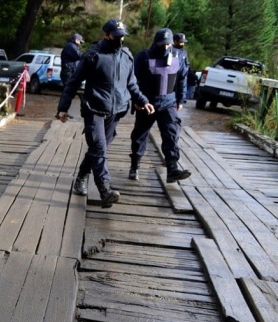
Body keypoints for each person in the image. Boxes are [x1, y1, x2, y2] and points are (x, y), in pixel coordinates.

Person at [57, 18, 154, 208]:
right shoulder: (93, 55)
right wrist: (63, 107)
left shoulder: (126, 56)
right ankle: (104, 189)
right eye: (116, 36)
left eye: (122, 36)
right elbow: (73, 82)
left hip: (116, 111)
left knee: (97, 149)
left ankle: (81, 177)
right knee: (100, 147)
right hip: (94, 108)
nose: (119, 39)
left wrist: (143, 101)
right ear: (106, 35)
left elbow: (132, 84)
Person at [128, 28, 192, 183]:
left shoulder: (178, 56)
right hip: (147, 102)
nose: (165, 47)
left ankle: (172, 168)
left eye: (168, 44)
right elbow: (133, 80)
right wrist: (136, 100)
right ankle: (135, 165)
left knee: (171, 133)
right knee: (139, 136)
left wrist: (180, 100)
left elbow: (182, 78)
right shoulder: (144, 57)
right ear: (156, 42)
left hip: (168, 102)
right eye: (162, 44)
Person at [173, 33, 197, 99]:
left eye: (183, 42)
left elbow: (186, 67)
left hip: (180, 80)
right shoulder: (169, 51)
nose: (183, 44)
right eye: (181, 42)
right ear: (175, 41)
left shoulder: (184, 52)